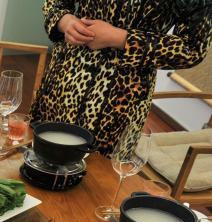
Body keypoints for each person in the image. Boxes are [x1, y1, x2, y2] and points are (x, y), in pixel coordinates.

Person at [31, 0, 212, 155]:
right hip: (63, 77)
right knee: (39, 155)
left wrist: (120, 38)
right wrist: (66, 21)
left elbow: (192, 49)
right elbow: (55, 3)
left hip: (121, 96)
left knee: (99, 177)